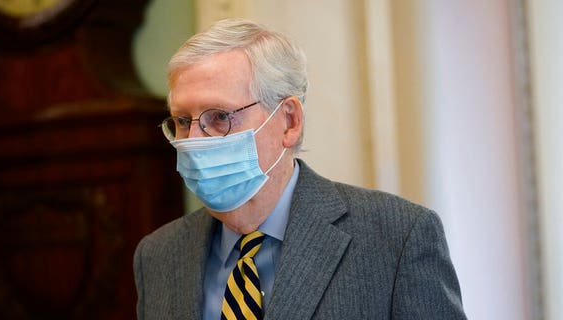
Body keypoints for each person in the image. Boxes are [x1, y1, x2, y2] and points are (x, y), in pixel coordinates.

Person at [133, 18, 466, 320]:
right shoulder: (159, 255)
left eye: (218, 117)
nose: (193, 140)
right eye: (181, 121)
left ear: (289, 121)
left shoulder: (397, 237)